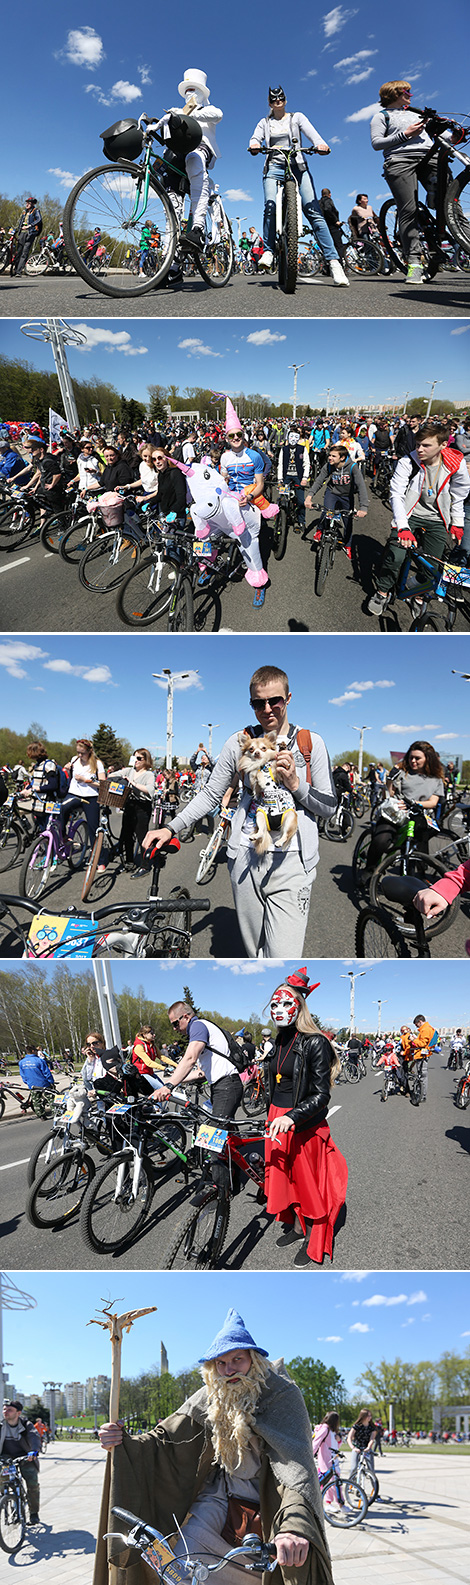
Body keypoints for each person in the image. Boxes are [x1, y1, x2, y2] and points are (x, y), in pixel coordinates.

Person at [95, 1308, 334, 1585]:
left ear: (253, 1359)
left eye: (237, 1359)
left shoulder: (282, 1394)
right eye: (220, 1363)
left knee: (270, 1574)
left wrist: (294, 1526)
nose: (229, 1369)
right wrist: (123, 1443)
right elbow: (164, 1440)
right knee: (180, 1565)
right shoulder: (212, 1392)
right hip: (220, 1494)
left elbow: (297, 1469)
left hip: (268, 1500)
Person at [142, 663, 337, 957]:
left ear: (288, 698)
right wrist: (171, 827)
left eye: (275, 701)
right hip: (246, 858)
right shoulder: (239, 741)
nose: (267, 708)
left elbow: (329, 808)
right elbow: (211, 793)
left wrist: (296, 784)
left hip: (293, 864)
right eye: (258, 703)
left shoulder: (310, 744)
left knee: (282, 957)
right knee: (255, 953)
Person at [263, 968, 347, 1266]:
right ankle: (298, 1227)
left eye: (285, 1003)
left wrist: (293, 1118)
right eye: (274, 1004)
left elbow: (321, 1095)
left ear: (299, 1005)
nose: (279, 1009)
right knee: (285, 1178)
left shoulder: (315, 1042)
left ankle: (313, 1236)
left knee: (307, 1185)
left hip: (303, 1124)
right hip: (277, 1118)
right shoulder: (279, 1041)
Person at [249, 87, 349, 286]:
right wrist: (254, 144)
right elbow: (255, 138)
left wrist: (320, 144)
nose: (278, 101)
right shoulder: (265, 122)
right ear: (269, 103)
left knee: (314, 212)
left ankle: (334, 262)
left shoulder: (297, 117)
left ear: (285, 101)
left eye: (281, 98)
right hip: (274, 167)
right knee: (270, 207)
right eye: (273, 99)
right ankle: (268, 251)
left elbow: (314, 135)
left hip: (298, 167)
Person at [367, 424, 469, 617]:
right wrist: (402, 526)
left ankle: (419, 596)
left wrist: (457, 523)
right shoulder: (409, 461)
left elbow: (459, 495)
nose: (419, 449)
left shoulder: (456, 464)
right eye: (418, 444)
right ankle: (382, 591)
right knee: (395, 556)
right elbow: (396, 494)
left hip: (438, 518)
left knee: (432, 567)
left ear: (443, 445)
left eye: (426, 445)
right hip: (409, 515)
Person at [370, 80, 443, 283]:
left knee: (448, 202)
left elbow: (438, 135)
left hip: (430, 157)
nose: (410, 94)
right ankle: (414, 263)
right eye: (406, 91)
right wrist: (405, 134)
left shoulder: (417, 113)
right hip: (399, 160)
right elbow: (376, 143)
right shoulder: (381, 116)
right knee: (407, 210)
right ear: (393, 93)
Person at [157, 68, 223, 251]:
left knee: (195, 159)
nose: (189, 94)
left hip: (202, 148)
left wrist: (189, 114)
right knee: (170, 189)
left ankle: (198, 229)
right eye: (187, 90)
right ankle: (171, 256)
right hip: (179, 151)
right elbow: (162, 124)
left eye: (193, 89)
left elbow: (218, 115)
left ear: (202, 92)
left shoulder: (208, 109)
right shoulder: (178, 110)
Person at [365, 740, 444, 870]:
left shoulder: (436, 779)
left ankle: (414, 875)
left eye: (417, 758)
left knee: (418, 851)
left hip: (418, 815)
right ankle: (369, 869)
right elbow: (389, 794)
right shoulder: (403, 773)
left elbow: (433, 802)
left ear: (428, 759)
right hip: (396, 814)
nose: (413, 761)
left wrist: (414, 804)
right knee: (381, 840)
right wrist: (390, 780)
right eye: (411, 757)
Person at [305, 443, 368, 558]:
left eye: (334, 456)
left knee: (347, 521)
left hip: (346, 496)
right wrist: (310, 496)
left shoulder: (352, 467)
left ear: (342, 458)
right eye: (330, 455)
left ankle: (348, 545)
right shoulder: (329, 465)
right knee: (327, 511)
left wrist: (363, 507)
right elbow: (319, 480)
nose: (330, 458)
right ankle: (320, 530)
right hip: (332, 493)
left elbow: (361, 487)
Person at [61, 737, 106, 853]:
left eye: (82, 753)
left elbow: (103, 784)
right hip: (74, 793)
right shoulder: (74, 760)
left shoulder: (97, 764)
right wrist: (67, 768)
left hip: (90, 796)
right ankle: (63, 836)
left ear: (89, 751)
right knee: (62, 808)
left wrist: (86, 780)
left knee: (93, 826)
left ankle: (98, 858)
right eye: (78, 753)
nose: (80, 755)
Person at [0, 1401, 40, 1524]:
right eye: (4, 1409)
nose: (5, 1412)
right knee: (3, 1482)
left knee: (32, 1484)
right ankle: (11, 1500)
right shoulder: (1, 1425)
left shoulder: (26, 1425)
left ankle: (34, 1513)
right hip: (6, 1458)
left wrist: (33, 1451)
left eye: (9, 1410)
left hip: (26, 1457)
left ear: (18, 1413)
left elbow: (34, 1436)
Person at [116, 748, 155, 871]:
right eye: (134, 757)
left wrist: (133, 783)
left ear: (146, 760)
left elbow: (150, 790)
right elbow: (113, 775)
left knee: (141, 836)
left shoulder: (149, 774)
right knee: (127, 834)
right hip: (129, 804)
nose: (136, 760)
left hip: (142, 806)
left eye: (139, 758)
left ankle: (145, 865)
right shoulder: (130, 770)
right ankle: (129, 861)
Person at [277, 431, 310, 534]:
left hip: (298, 477)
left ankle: (301, 521)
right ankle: (281, 517)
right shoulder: (284, 449)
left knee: (301, 501)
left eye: (296, 437)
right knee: (283, 498)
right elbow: (280, 464)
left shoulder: (302, 448)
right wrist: (279, 479)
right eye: (291, 436)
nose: (293, 439)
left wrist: (304, 478)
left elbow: (306, 464)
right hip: (286, 476)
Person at [312, 1412, 342, 1503]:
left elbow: (335, 1446)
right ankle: (329, 1502)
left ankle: (340, 1503)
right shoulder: (325, 1429)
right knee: (330, 1481)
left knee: (336, 1481)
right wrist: (310, 1454)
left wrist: (339, 1441)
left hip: (333, 1459)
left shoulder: (332, 1431)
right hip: (325, 1459)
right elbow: (315, 1443)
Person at [12, 196, 42, 276]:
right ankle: (15, 269)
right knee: (19, 251)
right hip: (22, 233)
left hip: (30, 233)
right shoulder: (24, 212)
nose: (27, 204)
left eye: (29, 203)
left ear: (32, 204)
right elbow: (20, 222)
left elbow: (39, 220)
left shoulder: (36, 211)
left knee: (24, 253)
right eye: (27, 203)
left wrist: (30, 226)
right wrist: (17, 230)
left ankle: (18, 271)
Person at [347, 1410, 377, 1480]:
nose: (370, 1417)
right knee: (354, 1468)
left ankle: (374, 1488)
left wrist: (368, 1447)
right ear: (363, 1416)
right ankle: (351, 1485)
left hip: (366, 1448)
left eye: (370, 1416)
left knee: (371, 1470)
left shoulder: (372, 1427)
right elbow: (349, 1438)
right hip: (357, 1447)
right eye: (368, 1416)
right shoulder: (356, 1426)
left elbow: (372, 1439)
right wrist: (353, 1448)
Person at [319, 190, 345, 262]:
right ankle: (339, 264)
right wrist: (335, 220)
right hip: (331, 225)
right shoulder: (328, 200)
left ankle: (328, 267)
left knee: (327, 246)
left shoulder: (319, 202)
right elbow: (327, 209)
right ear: (330, 194)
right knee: (338, 245)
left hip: (323, 225)